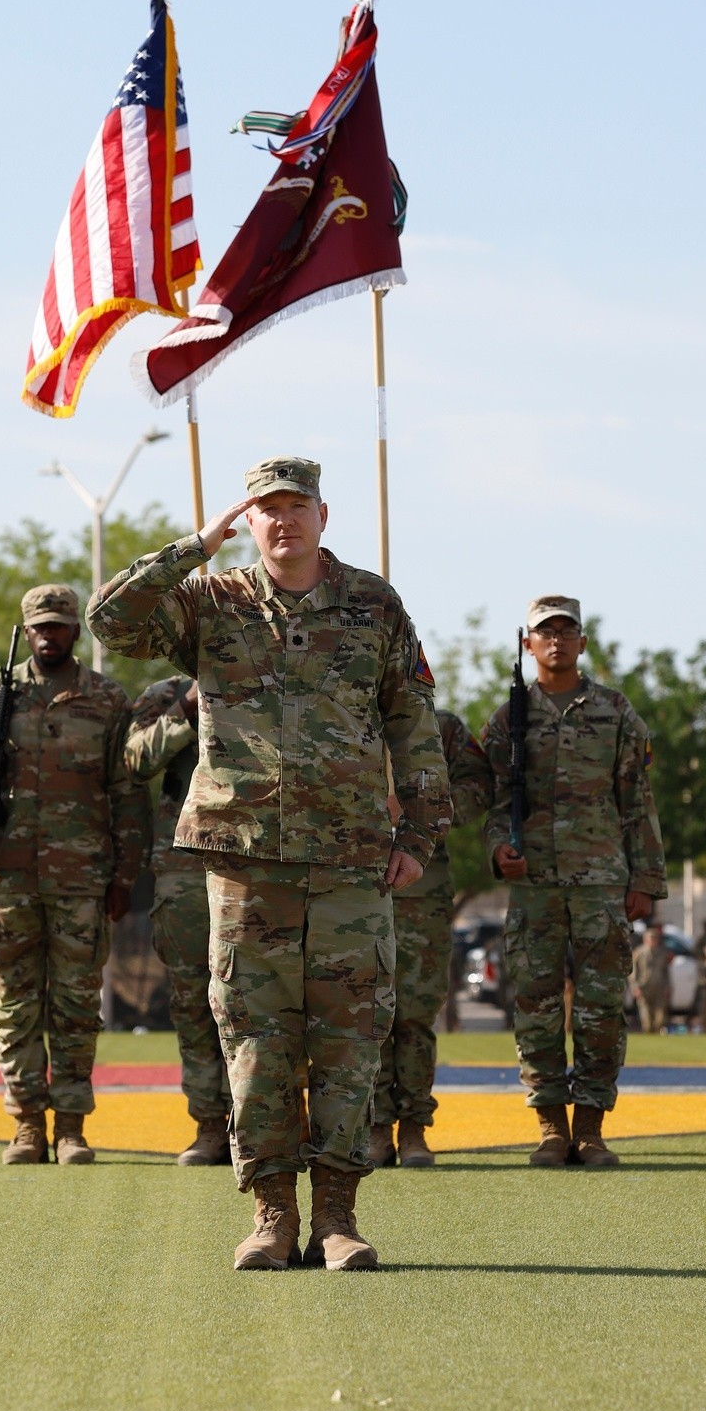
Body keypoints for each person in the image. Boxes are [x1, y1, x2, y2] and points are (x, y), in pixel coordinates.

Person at [87, 457, 451, 1270]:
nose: (282, 521)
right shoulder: (209, 603)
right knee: (255, 1041)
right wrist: (193, 546)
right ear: (246, 522)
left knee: (351, 1040)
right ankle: (271, 1215)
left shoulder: (373, 603)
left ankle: (338, 1219)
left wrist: (421, 835)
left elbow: (410, 718)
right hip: (244, 859)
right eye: (265, 509)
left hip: (352, 856)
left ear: (326, 515)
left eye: (297, 507)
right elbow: (109, 621)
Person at [0, 585, 151, 1164]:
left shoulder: (107, 700)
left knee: (77, 1006)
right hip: (7, 877)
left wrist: (125, 873)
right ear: (26, 628)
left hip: (83, 878)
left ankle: (71, 1126)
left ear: (74, 631)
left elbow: (127, 792)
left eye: (59, 625)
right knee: (14, 1004)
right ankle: (27, 1124)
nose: (48, 634)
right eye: (40, 625)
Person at [481, 595, 667, 1168]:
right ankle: (550, 1128)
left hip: (600, 883)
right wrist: (498, 850)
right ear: (527, 644)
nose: (556, 640)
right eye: (545, 631)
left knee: (601, 1007)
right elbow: (492, 801)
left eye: (567, 631)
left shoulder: (615, 712)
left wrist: (646, 879)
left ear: (583, 643)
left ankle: (590, 1129)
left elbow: (636, 801)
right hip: (534, 884)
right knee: (534, 1005)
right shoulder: (509, 718)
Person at [370, 710, 492, 1168]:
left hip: (423, 890)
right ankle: (376, 1128)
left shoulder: (440, 727)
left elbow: (480, 788)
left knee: (416, 1014)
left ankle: (415, 1128)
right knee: (366, 1013)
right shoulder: (339, 714)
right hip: (353, 884)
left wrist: (423, 804)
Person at [126, 673, 232, 1163]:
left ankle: (266, 1128)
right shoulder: (165, 695)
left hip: (260, 866)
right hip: (185, 868)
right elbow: (136, 760)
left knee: (266, 1004)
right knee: (193, 1003)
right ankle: (210, 1126)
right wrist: (188, 708)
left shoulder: (275, 671)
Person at [631, 925, 670, 1034]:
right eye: (650, 938)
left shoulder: (662, 953)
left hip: (659, 987)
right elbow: (633, 972)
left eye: (654, 938)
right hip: (644, 987)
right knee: (646, 1017)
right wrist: (635, 987)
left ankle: (657, 1034)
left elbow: (666, 972)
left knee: (660, 1017)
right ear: (645, 939)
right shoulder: (638, 953)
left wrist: (668, 987)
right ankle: (648, 1033)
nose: (652, 940)